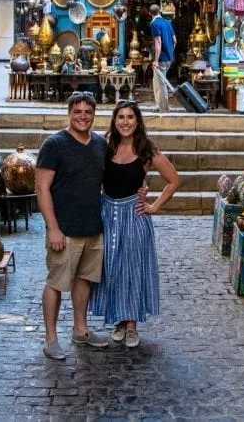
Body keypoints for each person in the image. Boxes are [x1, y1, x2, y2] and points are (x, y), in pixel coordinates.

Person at [89, 100, 181, 348]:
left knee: (132, 270)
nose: (125, 122)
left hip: (134, 215)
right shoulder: (105, 147)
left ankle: (131, 325)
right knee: (112, 269)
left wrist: (154, 206)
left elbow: (173, 180)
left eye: (130, 117)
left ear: (138, 121)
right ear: (114, 121)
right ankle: (119, 320)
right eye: (121, 117)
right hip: (108, 214)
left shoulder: (146, 150)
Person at [35, 91, 110, 360]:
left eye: (88, 112)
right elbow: (42, 189)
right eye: (77, 112)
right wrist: (53, 228)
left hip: (92, 227)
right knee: (56, 283)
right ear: (69, 113)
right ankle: (51, 338)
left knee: (84, 280)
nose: (82, 117)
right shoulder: (54, 145)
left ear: (93, 115)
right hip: (64, 230)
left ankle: (81, 330)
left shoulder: (100, 144)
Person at [149, 4, 176, 113]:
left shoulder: (154, 23)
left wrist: (156, 60)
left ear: (150, 13)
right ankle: (158, 105)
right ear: (160, 11)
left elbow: (158, 42)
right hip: (169, 57)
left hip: (161, 59)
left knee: (161, 84)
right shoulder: (167, 22)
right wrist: (170, 51)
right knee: (156, 81)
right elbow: (175, 40)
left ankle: (164, 109)